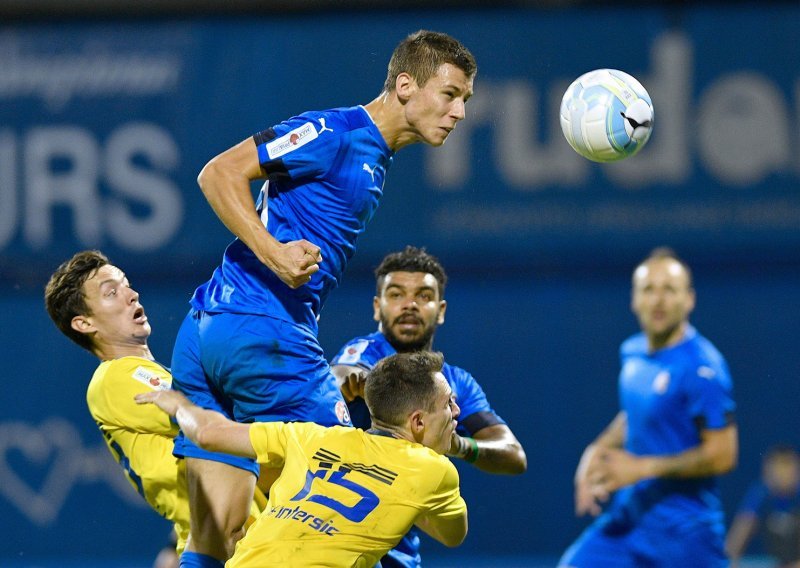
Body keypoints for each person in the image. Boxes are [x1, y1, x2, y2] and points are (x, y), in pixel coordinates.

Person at [170, 30, 477, 567]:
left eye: (466, 101)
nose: (459, 113)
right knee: (372, 479)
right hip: (263, 333)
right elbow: (217, 173)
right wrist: (274, 252)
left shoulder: (374, 155)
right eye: (450, 94)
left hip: (205, 332)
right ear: (406, 85)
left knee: (214, 536)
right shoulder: (334, 133)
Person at [137, 351, 468, 568]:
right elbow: (452, 535)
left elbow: (208, 433)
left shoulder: (309, 435)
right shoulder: (435, 471)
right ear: (418, 422)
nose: (456, 412)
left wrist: (178, 404)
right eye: (447, 404)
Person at [43, 250, 266, 567]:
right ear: (83, 322)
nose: (131, 295)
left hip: (248, 546)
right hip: (226, 555)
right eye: (112, 292)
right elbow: (212, 422)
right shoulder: (114, 378)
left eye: (127, 285)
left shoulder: (159, 377)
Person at [331, 245, 527, 567]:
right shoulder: (363, 352)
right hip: (338, 532)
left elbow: (513, 455)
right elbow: (342, 374)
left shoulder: (453, 383)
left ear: (441, 309)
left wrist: (460, 445)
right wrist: (351, 383)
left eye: (423, 296)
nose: (409, 304)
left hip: (398, 550)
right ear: (378, 308)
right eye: (396, 295)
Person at [558, 247, 738, 568]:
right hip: (631, 522)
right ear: (634, 300)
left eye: (669, 290)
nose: (657, 300)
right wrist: (595, 451)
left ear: (689, 300)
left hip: (685, 535)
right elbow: (638, 414)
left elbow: (723, 454)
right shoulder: (633, 352)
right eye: (648, 290)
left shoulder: (703, 368)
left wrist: (642, 468)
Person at [726, 445, 800, 568]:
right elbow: (736, 541)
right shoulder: (760, 495)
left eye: (787, 466)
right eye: (777, 468)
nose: (782, 474)